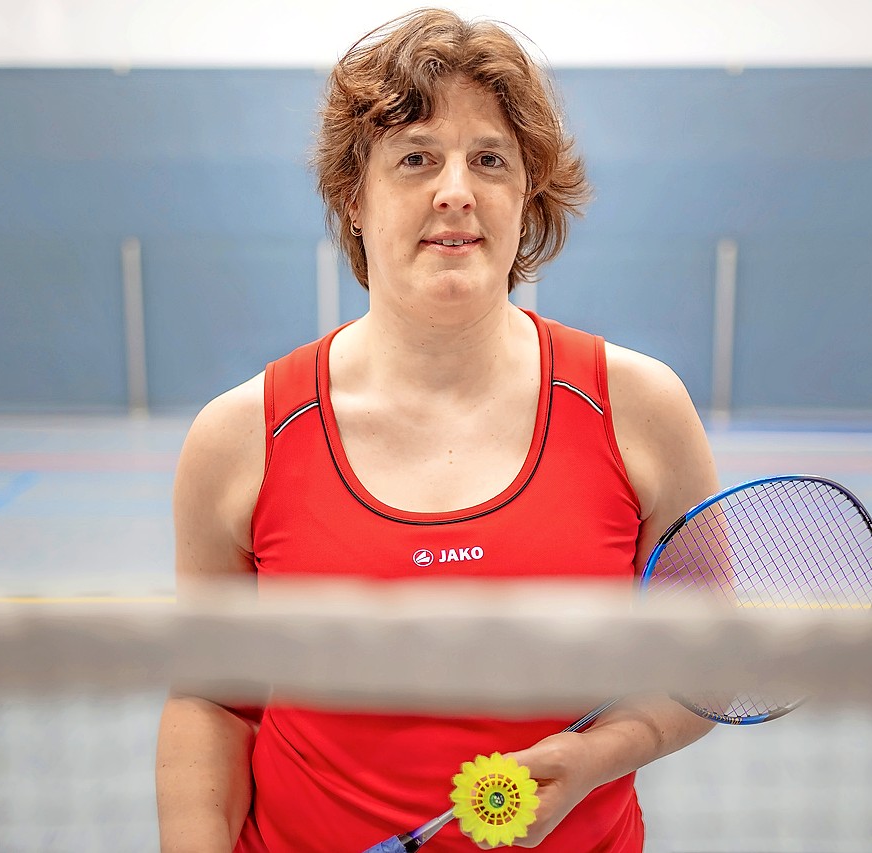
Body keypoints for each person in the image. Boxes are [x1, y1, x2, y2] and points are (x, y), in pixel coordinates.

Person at [156, 8, 720, 851]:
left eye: (489, 159)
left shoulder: (638, 408)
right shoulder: (243, 436)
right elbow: (213, 696)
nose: (455, 188)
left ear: (526, 193)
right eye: (416, 157)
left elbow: (706, 660)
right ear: (354, 196)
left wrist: (603, 752)